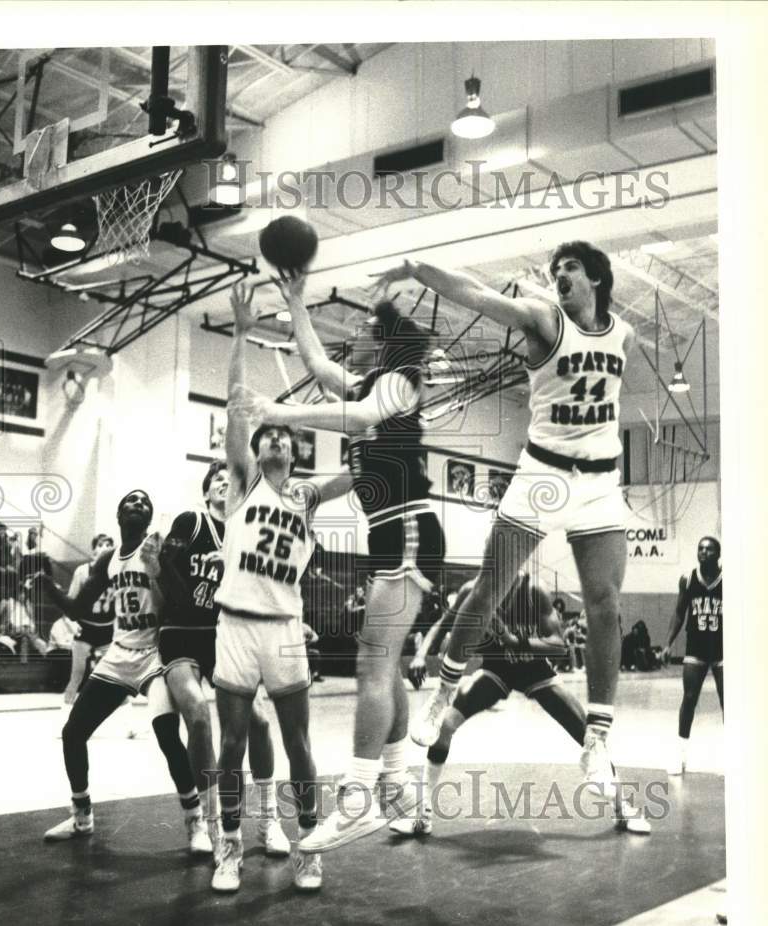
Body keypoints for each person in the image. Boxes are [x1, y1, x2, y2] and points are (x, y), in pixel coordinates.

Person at [372, 243, 634, 801]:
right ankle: (443, 693)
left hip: (600, 481)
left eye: (569, 269)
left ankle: (599, 739)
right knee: (489, 587)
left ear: (596, 278)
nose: (558, 276)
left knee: (606, 602)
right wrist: (418, 266)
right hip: (543, 472)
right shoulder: (545, 318)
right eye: (554, 270)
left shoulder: (624, 335)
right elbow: (477, 294)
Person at [234, 275, 446, 854]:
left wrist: (279, 409)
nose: (355, 335)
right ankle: (402, 793)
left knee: (371, 664)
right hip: (389, 533)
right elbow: (318, 363)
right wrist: (297, 298)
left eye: (367, 329)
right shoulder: (370, 384)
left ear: (385, 342)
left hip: (407, 528)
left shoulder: (401, 383)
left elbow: (354, 418)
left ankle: (357, 799)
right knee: (389, 663)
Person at [211, 282, 350, 892]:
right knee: (233, 742)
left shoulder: (307, 495)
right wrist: (240, 335)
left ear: (294, 448)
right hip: (237, 623)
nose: (271, 438)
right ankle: (229, 849)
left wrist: (373, 412)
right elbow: (238, 403)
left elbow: (364, 468)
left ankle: (310, 846)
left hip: (286, 628)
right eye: (265, 434)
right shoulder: (241, 483)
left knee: (299, 745)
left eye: (281, 435)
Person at [393, 573, 650, 836]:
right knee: (444, 725)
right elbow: (443, 623)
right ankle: (422, 815)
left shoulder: (533, 591)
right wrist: (420, 655)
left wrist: (514, 640)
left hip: (534, 670)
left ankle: (623, 809)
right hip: (496, 671)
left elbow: (558, 644)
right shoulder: (475, 589)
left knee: (589, 735)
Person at [35, 490, 217, 854]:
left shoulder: (161, 548)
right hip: (119, 654)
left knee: (166, 733)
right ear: (119, 514)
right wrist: (46, 585)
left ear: (149, 518)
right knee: (73, 734)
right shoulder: (107, 560)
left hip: (156, 653)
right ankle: (82, 817)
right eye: (132, 501)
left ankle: (194, 819)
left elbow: (182, 602)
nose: (139, 505)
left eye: (145, 503)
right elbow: (77, 609)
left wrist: (160, 569)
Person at [151, 460, 291, 862]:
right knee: (196, 714)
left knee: (260, 721)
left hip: (224, 636)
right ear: (208, 489)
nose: (225, 485)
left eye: (232, 482)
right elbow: (162, 571)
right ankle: (211, 825)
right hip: (180, 633)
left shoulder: (248, 535)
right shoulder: (191, 522)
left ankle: (267, 819)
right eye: (218, 480)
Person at [662, 536, 723, 775]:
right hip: (696, 646)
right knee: (689, 698)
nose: (703, 552)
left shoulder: (729, 579)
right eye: (700, 548)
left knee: (727, 701)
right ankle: (680, 754)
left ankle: (732, 755)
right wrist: (667, 644)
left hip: (722, 648)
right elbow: (679, 613)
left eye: (709, 549)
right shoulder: (688, 579)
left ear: (718, 554)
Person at [63, 533, 115, 705]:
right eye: (101, 544)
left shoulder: (116, 572)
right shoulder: (82, 571)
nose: (104, 548)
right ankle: (65, 712)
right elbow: (70, 602)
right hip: (85, 627)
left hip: (107, 629)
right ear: (93, 550)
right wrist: (72, 626)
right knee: (77, 674)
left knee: (116, 677)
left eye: (108, 545)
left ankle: (128, 719)